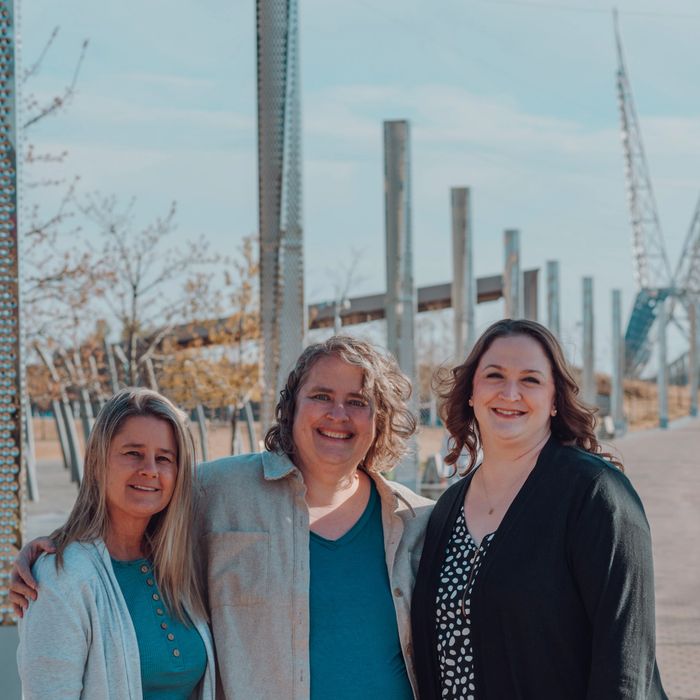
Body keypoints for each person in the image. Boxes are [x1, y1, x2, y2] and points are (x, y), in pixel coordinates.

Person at [13, 336, 433, 699]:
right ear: (291, 406)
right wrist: (52, 551)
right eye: (321, 396)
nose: (337, 414)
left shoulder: (416, 520)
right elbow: (134, 503)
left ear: (380, 422)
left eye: (358, 402)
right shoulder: (217, 490)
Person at [411, 318, 667, 700]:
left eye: (530, 380)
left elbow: (625, 660)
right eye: (494, 375)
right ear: (471, 392)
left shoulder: (594, 495)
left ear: (553, 401)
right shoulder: (449, 508)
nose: (510, 392)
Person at [16, 388, 216, 699]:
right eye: (133, 453)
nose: (150, 469)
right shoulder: (61, 578)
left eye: (164, 458)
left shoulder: (181, 563)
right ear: (98, 461)